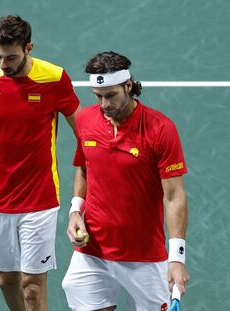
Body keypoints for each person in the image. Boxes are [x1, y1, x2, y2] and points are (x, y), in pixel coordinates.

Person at [0, 15, 80, 311]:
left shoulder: (54, 78)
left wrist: (97, 177)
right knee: (6, 280)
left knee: (32, 286)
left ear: (28, 48)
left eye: (11, 57)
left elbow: (82, 129)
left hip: (40, 197)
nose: (4, 64)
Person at [62, 51, 189, 311]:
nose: (104, 104)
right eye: (98, 96)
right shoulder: (86, 119)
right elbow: (84, 168)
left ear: (128, 86)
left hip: (143, 256)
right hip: (93, 250)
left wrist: (176, 258)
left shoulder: (160, 129)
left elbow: (174, 196)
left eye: (111, 95)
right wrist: (76, 211)